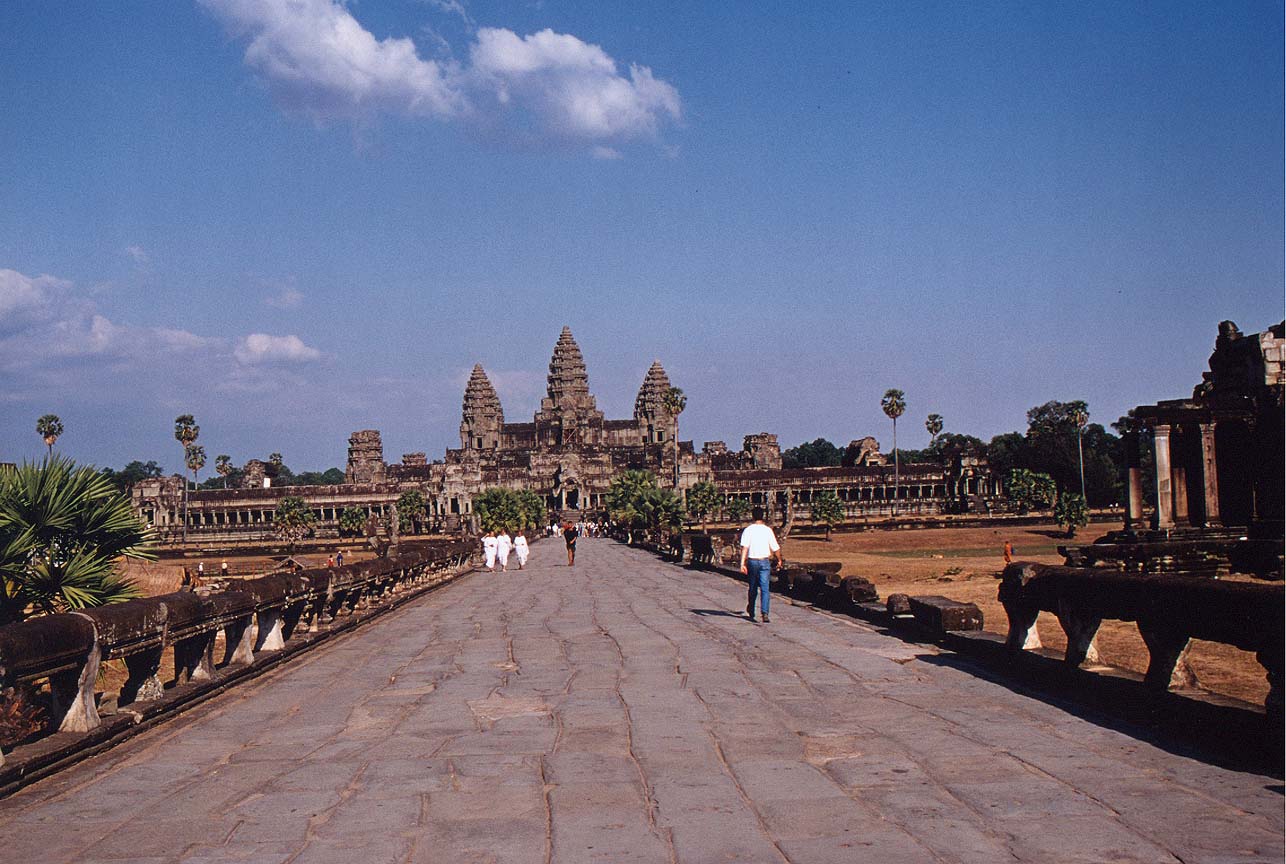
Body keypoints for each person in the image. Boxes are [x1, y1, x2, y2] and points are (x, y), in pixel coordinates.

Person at [739, 506, 783, 623]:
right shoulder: (767, 530)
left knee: (752, 587)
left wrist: (742, 563)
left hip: (752, 561)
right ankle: (765, 612)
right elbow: (775, 547)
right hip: (764, 561)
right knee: (765, 588)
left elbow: (745, 548)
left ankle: (752, 609)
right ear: (763, 516)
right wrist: (779, 559)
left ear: (752, 516)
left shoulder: (748, 530)